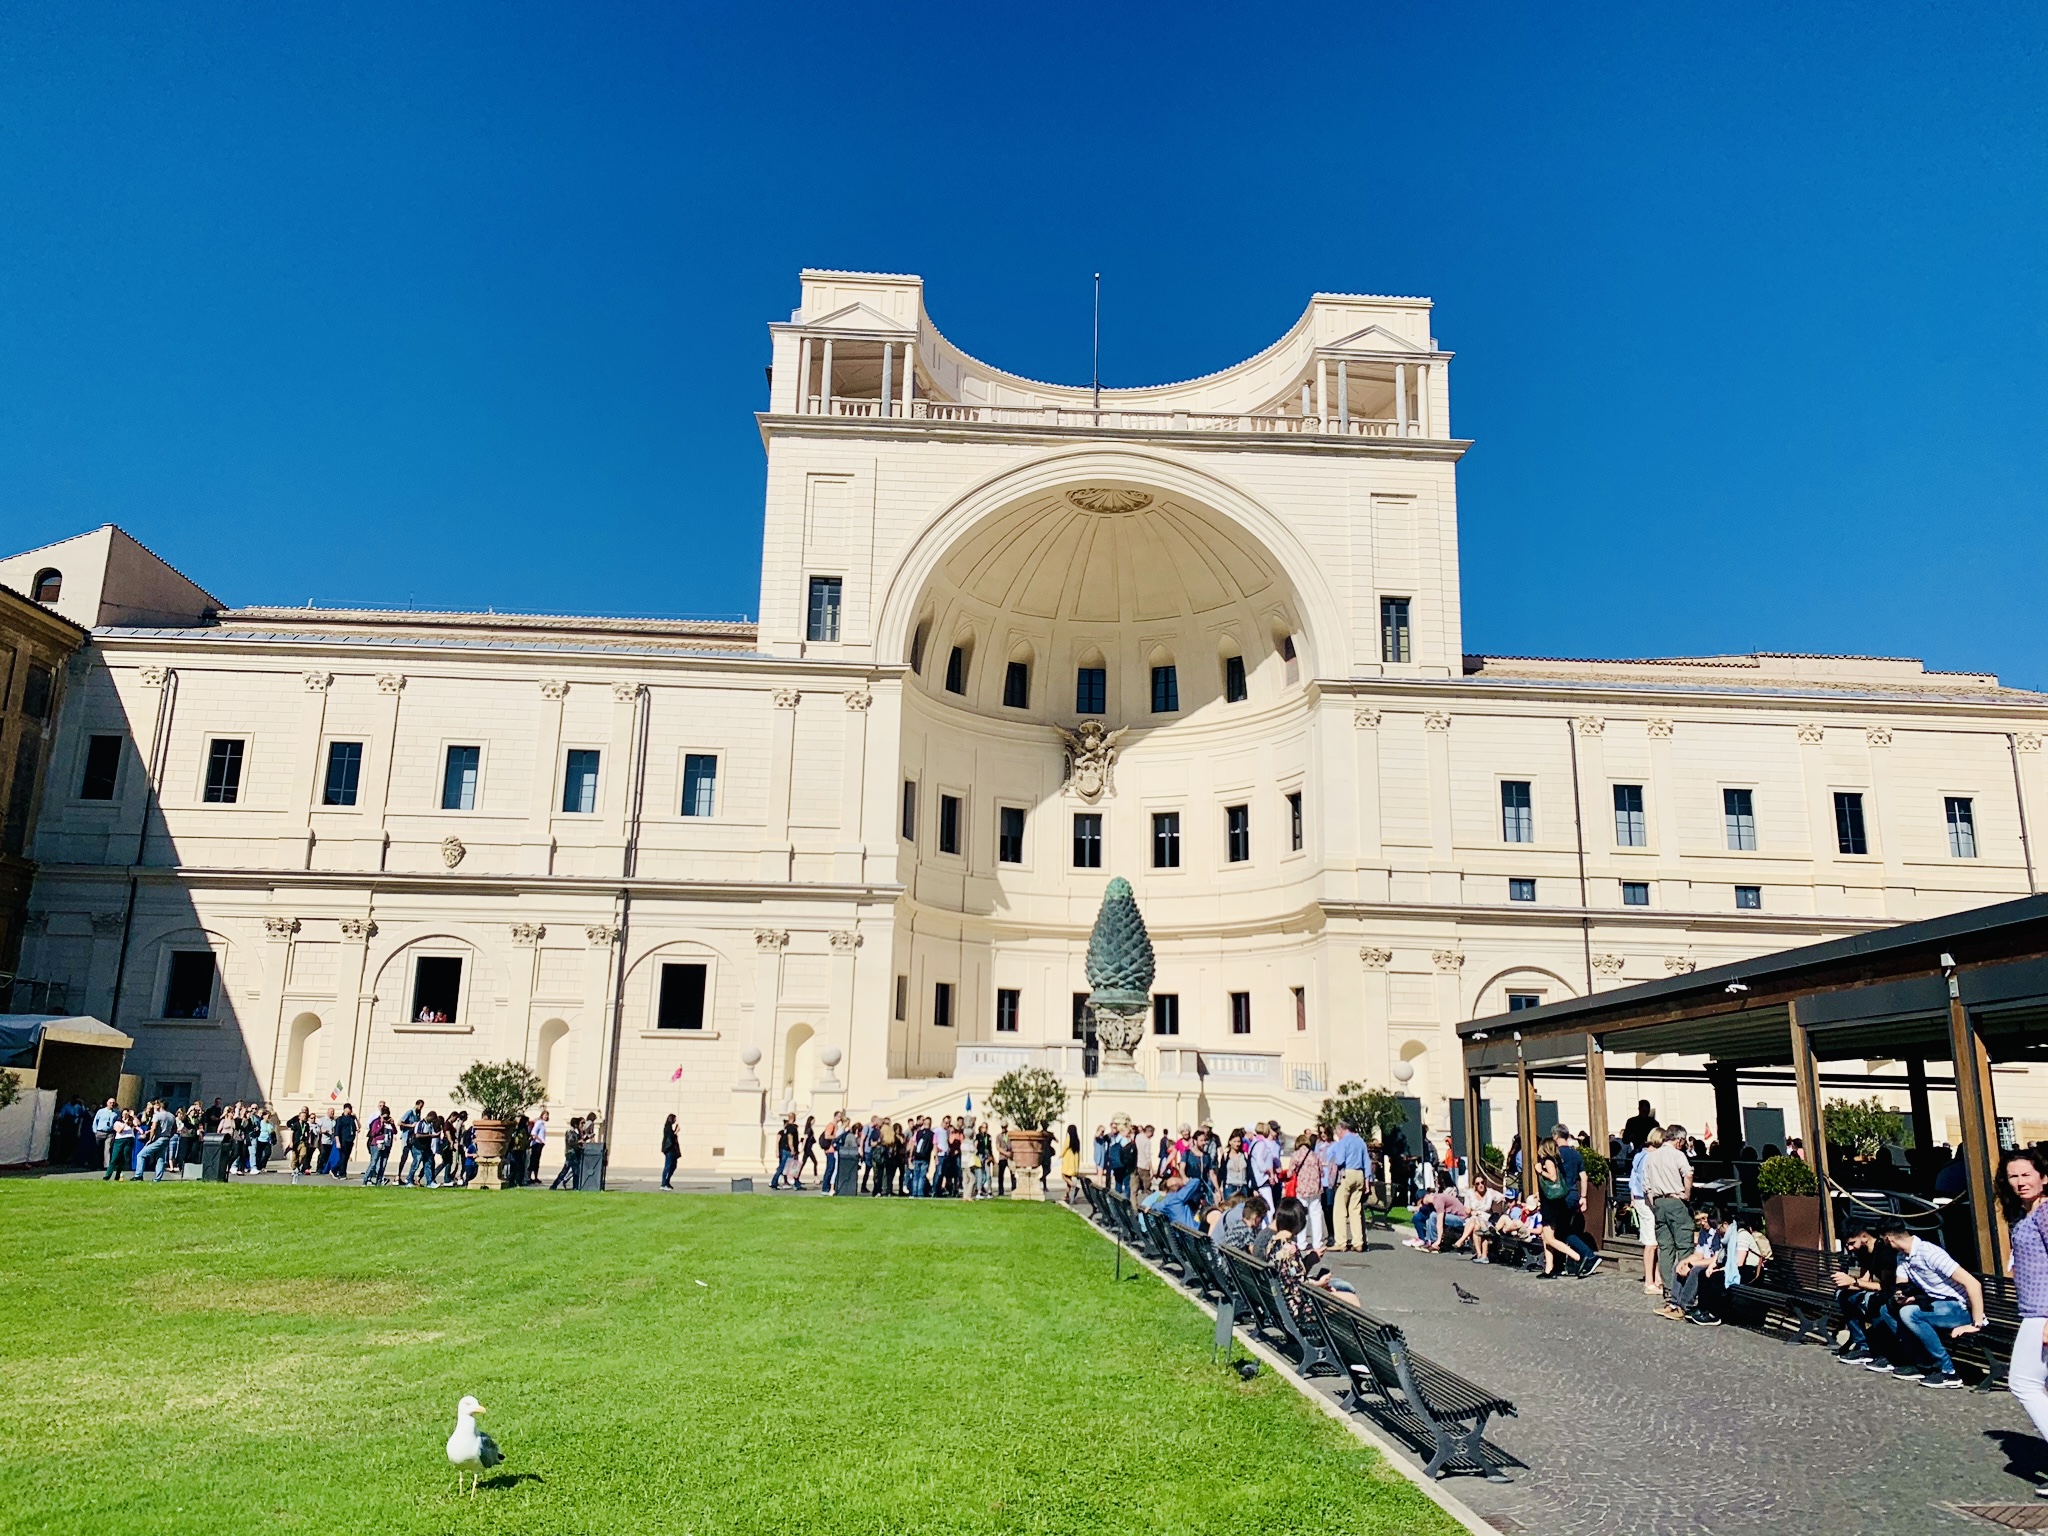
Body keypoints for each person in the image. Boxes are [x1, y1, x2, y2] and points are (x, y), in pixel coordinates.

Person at [1857, 1216, 1985, 1388]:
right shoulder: (1902, 1257)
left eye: (1883, 1240)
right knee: (1887, 1309)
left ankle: (1948, 1372)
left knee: (1909, 1313)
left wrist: (1976, 1324)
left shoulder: (1930, 1253)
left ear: (1888, 1239)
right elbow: (1901, 1286)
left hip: (1959, 1308)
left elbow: (1973, 1284)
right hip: (1936, 1305)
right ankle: (1922, 1363)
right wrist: (1901, 1297)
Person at [1999, 1149, 2048, 1485]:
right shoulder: (2026, 1215)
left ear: (2043, 1177)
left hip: (2042, 1313)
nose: (2019, 1182)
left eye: (2026, 1175)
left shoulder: (2045, 1212)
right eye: (2013, 1176)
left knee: (2023, 1382)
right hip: (2034, 1310)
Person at [1644, 1121, 1696, 1320]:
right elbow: (1688, 1174)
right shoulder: (1677, 1154)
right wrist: (1687, 1194)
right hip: (1676, 1202)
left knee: (1665, 1249)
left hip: (1659, 1203)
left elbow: (1646, 1186)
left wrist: (1655, 1203)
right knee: (1684, 1247)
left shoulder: (1651, 1156)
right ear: (1680, 1140)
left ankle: (1668, 1293)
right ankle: (1683, 1295)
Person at [1830, 1225, 1896, 1367]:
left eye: (1852, 1243)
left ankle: (1886, 1351)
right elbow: (1866, 1280)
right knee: (1844, 1295)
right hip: (1879, 1290)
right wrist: (1846, 1285)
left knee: (1871, 1300)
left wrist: (1853, 1281)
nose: (1850, 1248)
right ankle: (1863, 1346)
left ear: (1864, 1237)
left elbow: (1886, 1287)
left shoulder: (1884, 1253)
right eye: (1847, 1245)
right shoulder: (1864, 1252)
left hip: (1893, 1293)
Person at [1551, 1122, 1601, 1276]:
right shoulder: (1576, 1154)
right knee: (1562, 1230)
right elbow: (1583, 1177)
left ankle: (1588, 1255)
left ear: (1556, 1136)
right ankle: (1561, 1265)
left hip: (1561, 1196)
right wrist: (1583, 1196)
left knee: (1562, 1231)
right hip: (1573, 1194)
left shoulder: (1556, 1154)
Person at [1329, 1117, 1370, 1252]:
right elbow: (1367, 1162)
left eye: (1338, 1130)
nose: (1337, 1133)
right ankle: (1358, 1242)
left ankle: (1341, 1242)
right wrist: (1367, 1181)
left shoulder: (1344, 1141)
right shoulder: (1361, 1141)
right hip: (1360, 1174)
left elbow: (1340, 1160)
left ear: (1343, 1128)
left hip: (1347, 1173)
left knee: (1340, 1209)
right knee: (1355, 1209)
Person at [1631, 1128, 1663, 1294]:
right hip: (1646, 1200)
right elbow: (1646, 1182)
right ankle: (1649, 1282)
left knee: (1653, 1240)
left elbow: (1632, 1180)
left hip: (1639, 1199)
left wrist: (1633, 1198)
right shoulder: (1650, 1157)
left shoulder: (1639, 1155)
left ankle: (1656, 1278)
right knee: (1651, 1242)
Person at [1061, 1124, 1082, 1204]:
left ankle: (1074, 1186)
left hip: (1067, 1161)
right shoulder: (1077, 1140)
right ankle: (1067, 1195)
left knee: (1064, 1176)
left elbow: (1064, 1148)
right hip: (1073, 1162)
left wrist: (1060, 1155)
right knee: (1068, 1179)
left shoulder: (1068, 1139)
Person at [660, 1114, 681, 1190]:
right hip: (669, 1150)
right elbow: (671, 1137)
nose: (675, 1121)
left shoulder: (670, 1127)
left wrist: (675, 1131)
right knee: (668, 1166)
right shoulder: (667, 1127)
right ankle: (664, 1184)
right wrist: (676, 1131)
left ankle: (667, 1182)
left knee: (673, 1166)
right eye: (674, 1119)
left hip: (672, 1150)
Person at [528, 1109, 549, 1185]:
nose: (546, 1117)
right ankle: (529, 1177)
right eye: (545, 1115)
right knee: (534, 1160)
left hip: (540, 1144)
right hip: (536, 1144)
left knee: (537, 1161)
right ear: (542, 1115)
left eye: (547, 1115)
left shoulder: (542, 1123)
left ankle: (535, 1177)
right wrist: (539, 1140)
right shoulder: (539, 1122)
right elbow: (533, 1133)